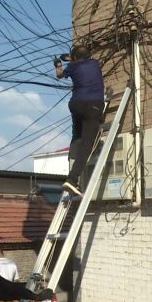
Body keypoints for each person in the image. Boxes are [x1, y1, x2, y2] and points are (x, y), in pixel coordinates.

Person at [55, 45, 105, 196]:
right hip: (93, 106)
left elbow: (59, 75)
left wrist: (58, 64)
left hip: (76, 105)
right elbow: (79, 58)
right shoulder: (95, 63)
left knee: (77, 136)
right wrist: (70, 58)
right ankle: (72, 179)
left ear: (74, 58)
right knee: (87, 145)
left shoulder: (72, 67)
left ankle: (72, 160)